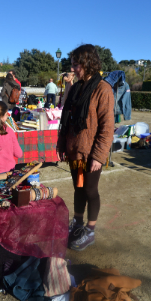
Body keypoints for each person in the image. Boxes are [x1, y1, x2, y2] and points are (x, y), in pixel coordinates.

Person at [57, 44, 114, 251]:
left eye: (76, 65)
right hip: (75, 150)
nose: (73, 69)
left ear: (88, 63)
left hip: (91, 153)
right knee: (78, 188)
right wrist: (62, 144)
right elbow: (67, 119)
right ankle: (78, 223)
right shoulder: (77, 87)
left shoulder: (103, 89)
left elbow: (107, 127)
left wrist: (99, 156)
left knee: (90, 190)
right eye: (71, 64)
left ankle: (90, 230)